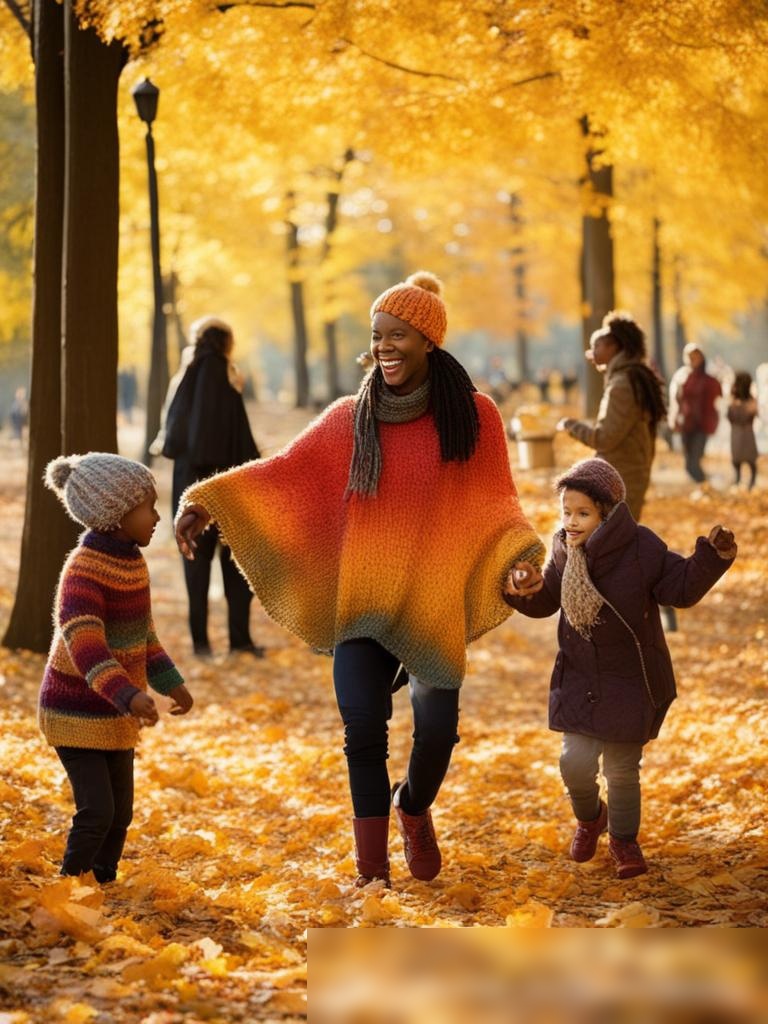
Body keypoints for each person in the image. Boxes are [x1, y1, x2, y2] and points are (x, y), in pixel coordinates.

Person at [175, 272, 545, 887]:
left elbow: (497, 505)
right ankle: (372, 873)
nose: (384, 346)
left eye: (398, 335)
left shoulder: (472, 416)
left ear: (428, 340)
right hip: (361, 602)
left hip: (430, 603)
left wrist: (519, 560)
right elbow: (284, 473)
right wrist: (207, 501)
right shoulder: (351, 418)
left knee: (437, 735)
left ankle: (413, 807)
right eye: (377, 335)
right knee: (363, 731)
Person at [503, 457, 736, 879]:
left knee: (621, 770)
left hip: (630, 679)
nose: (571, 522)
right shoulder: (563, 549)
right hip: (580, 677)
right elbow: (547, 599)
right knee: (574, 764)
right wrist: (522, 591)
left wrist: (712, 557)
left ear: (607, 513)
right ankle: (592, 818)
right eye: (566, 512)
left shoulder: (642, 547)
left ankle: (625, 841)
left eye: (583, 513)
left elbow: (680, 588)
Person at [40, 453, 193, 883]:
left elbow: (143, 637)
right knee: (97, 811)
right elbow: (86, 646)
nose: (157, 517)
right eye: (149, 507)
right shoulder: (82, 570)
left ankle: (102, 880)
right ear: (115, 511)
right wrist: (128, 694)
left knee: (120, 812)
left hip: (116, 711)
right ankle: (71, 884)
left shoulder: (132, 563)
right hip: (74, 710)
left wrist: (171, 684)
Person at [160, 317, 263, 658]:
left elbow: (171, 440)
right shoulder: (220, 372)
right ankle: (239, 640)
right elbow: (231, 439)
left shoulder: (186, 375)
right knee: (234, 566)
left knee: (195, 566)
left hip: (188, 484)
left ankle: (201, 643)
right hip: (224, 486)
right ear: (226, 342)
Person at [557, 312, 667, 521]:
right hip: (627, 474)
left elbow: (605, 438)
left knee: (612, 538)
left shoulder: (622, 385)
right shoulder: (633, 376)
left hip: (621, 477)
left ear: (614, 347)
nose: (591, 353)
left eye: (597, 346)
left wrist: (571, 426)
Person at [668, 343, 722, 484]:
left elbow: (717, 401)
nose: (693, 359)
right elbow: (675, 400)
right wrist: (674, 419)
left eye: (696, 356)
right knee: (688, 464)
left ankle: (705, 486)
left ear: (702, 357)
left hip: (702, 425)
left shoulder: (710, 379)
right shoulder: (681, 376)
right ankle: (704, 486)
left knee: (694, 461)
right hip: (686, 424)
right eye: (690, 356)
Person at [726, 372, 758, 490]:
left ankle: (750, 481)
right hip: (738, 432)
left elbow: (752, 414)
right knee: (738, 459)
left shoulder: (750, 400)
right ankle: (738, 479)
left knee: (749, 459)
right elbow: (730, 416)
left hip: (744, 432)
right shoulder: (734, 399)